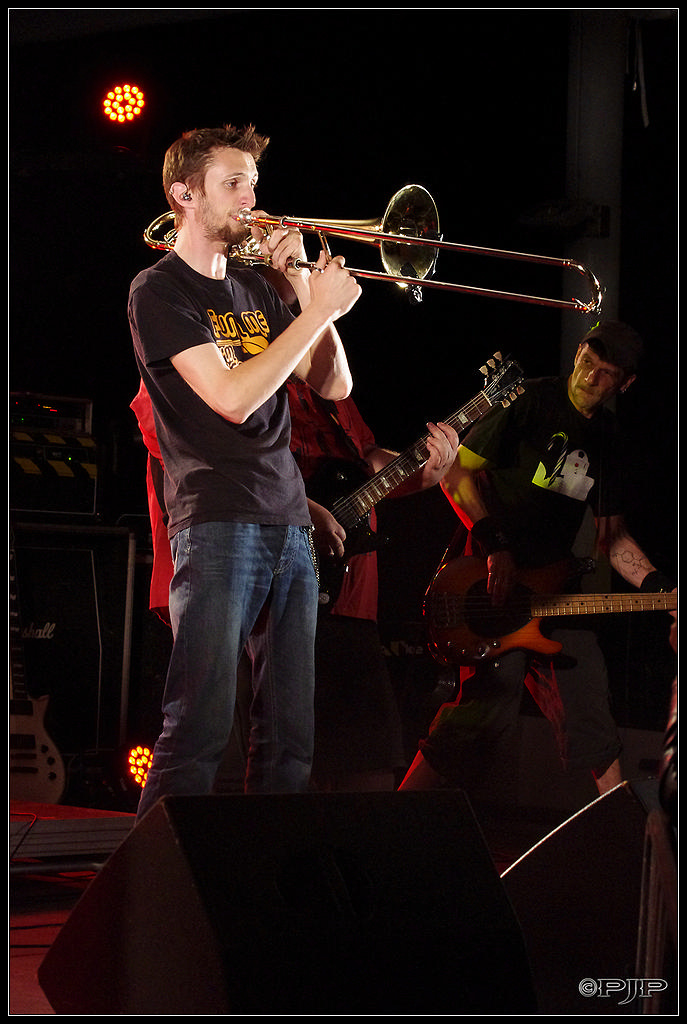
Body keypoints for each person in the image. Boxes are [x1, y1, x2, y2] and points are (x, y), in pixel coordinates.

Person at [128, 124, 361, 820]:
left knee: (289, 736)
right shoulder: (158, 289)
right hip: (217, 517)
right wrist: (313, 308)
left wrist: (299, 289)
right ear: (183, 195)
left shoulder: (258, 288)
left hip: (287, 522)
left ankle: (268, 893)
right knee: (198, 727)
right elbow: (231, 398)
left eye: (252, 183)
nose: (251, 200)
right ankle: (146, 896)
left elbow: (336, 385)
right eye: (233, 183)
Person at [399, 320, 676, 799]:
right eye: (587, 362)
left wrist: (662, 592)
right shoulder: (529, 400)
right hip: (489, 588)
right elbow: (457, 472)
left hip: (552, 591)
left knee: (590, 709)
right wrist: (495, 542)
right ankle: (396, 820)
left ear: (625, 383)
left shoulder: (611, 440)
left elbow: (614, 538)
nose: (589, 377)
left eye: (605, 373)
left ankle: (623, 842)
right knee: (489, 703)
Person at [287, 376, 459, 791]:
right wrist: (304, 508)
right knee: (292, 757)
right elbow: (241, 464)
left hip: (353, 593)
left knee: (370, 761)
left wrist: (427, 470)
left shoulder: (331, 384)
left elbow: (366, 460)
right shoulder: (256, 368)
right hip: (286, 584)